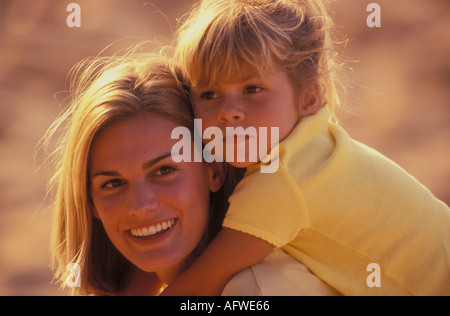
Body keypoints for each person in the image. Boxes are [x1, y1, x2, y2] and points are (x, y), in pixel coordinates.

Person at [163, 0, 450, 296]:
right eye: (209, 94)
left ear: (309, 97)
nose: (228, 111)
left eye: (252, 89)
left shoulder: (281, 182)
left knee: (251, 289)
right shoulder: (316, 143)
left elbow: (198, 287)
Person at [44, 51, 339, 296]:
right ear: (91, 204)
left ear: (214, 169)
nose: (140, 205)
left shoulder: (258, 290)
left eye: (164, 170)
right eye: (113, 183)